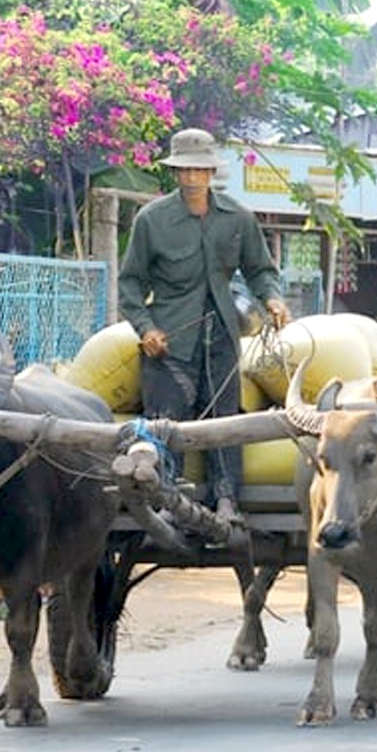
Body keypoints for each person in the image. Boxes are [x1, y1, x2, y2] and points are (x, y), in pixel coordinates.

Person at [118, 127, 291, 524]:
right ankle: (163, 500)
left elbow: (260, 270)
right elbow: (129, 283)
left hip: (222, 338)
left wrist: (273, 299)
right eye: (185, 171)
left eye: (200, 171)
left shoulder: (238, 218)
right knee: (164, 423)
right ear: (175, 174)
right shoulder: (152, 220)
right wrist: (145, 328)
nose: (192, 178)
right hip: (169, 343)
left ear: (212, 172)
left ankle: (227, 499)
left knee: (225, 422)